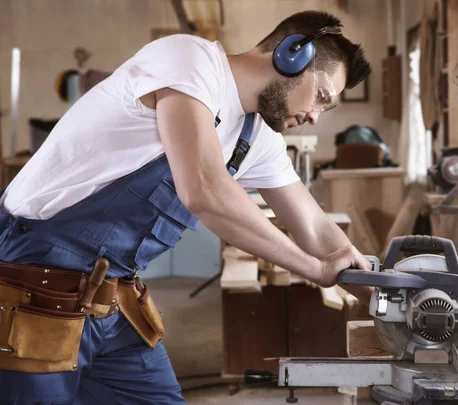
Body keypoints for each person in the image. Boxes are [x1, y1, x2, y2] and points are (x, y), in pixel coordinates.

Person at [0, 10, 372, 404]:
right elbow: (204, 189)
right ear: (291, 54)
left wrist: (378, 294)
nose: (315, 115)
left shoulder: (256, 136)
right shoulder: (190, 61)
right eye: (322, 96)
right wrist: (315, 269)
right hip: (31, 280)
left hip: (110, 293)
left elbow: (313, 224)